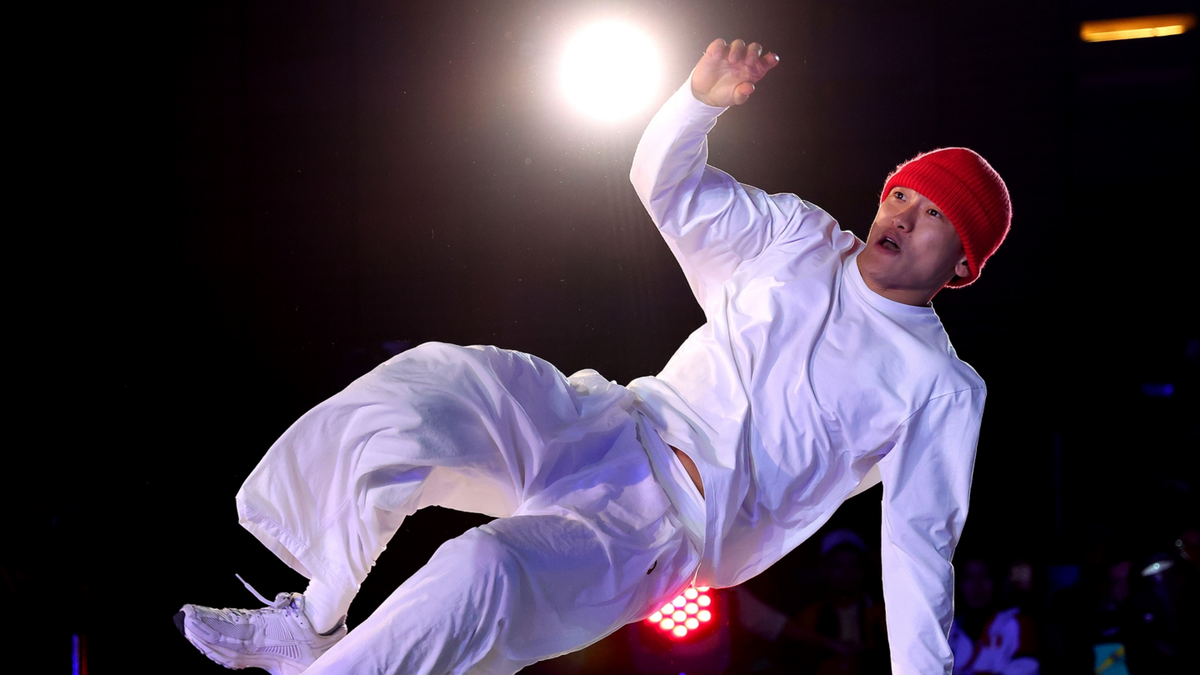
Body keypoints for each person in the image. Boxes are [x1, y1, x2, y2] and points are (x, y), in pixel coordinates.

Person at [176, 37, 1011, 675]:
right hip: (608, 417)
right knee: (438, 384)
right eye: (902, 190)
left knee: (481, 570)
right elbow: (668, 187)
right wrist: (696, 104)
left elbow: (917, 546)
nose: (903, 210)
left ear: (964, 263)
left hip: (659, 528)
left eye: (934, 212)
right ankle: (314, 616)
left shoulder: (938, 386)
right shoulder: (797, 238)